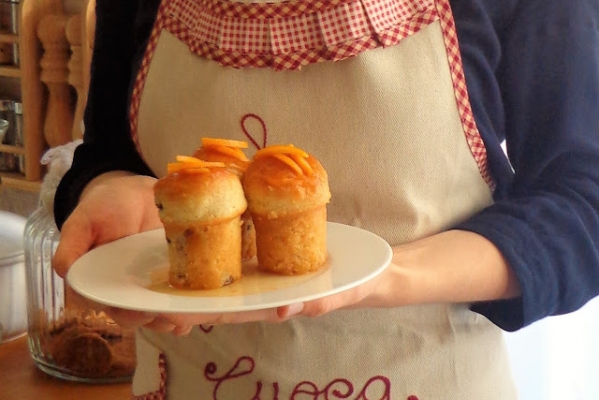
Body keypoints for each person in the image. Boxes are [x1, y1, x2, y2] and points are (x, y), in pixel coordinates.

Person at [52, 0, 599, 398]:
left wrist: (386, 276)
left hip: (428, 376)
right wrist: (106, 191)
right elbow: (104, 156)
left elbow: (583, 202)